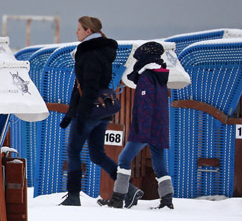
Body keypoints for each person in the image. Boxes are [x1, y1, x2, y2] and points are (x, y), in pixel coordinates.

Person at [58, 16, 138, 206]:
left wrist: (81, 114)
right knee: (97, 154)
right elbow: (83, 85)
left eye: (78, 29)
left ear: (88, 31)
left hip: (89, 111)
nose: (75, 32)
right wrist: (71, 114)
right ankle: (130, 190)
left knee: (73, 151)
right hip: (102, 111)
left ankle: (73, 196)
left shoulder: (90, 53)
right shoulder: (101, 51)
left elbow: (90, 86)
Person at [106, 41, 173, 209]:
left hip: (146, 128)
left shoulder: (146, 77)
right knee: (159, 164)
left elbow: (145, 106)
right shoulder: (160, 76)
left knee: (124, 159)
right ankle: (167, 200)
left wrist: (142, 130)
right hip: (160, 127)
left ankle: (118, 197)